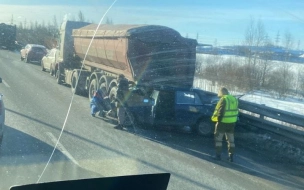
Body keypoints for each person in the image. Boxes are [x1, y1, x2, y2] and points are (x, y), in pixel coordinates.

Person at [211, 87, 239, 162]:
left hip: (223, 122)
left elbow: (220, 111)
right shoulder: (234, 99)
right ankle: (231, 156)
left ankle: (218, 156)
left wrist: (218, 121)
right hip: (232, 122)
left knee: (218, 139)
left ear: (222, 92)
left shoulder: (224, 99)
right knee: (231, 140)